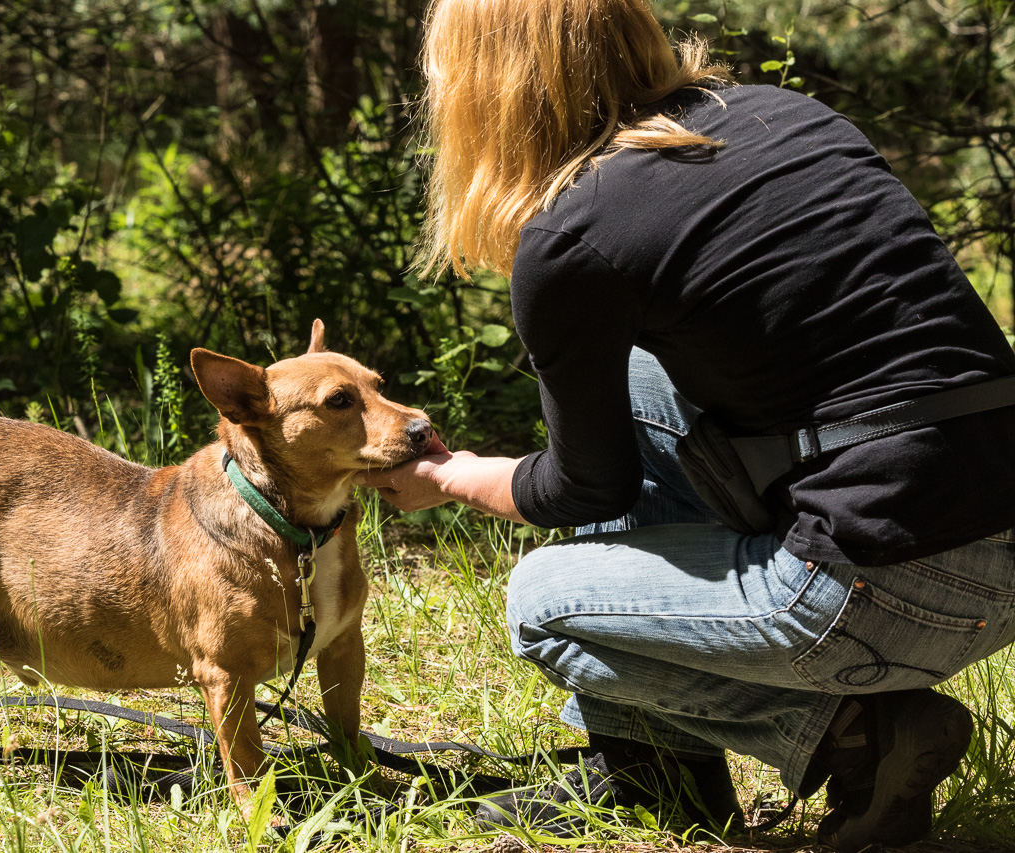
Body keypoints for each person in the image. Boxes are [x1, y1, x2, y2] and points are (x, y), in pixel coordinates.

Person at [354, 0, 1015, 849]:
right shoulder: (787, 115)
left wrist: (452, 476)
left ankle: (856, 734)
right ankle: (657, 770)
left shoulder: (572, 233)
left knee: (542, 603)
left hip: (882, 581)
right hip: (1002, 538)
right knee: (640, 378)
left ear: (485, 90)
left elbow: (584, 488)